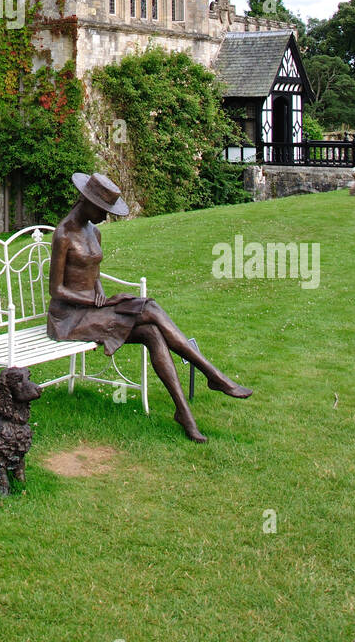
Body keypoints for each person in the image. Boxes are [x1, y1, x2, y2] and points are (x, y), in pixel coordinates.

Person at [47, 172, 252, 442]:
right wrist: (102, 302)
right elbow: (56, 290)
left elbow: (94, 274)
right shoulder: (63, 234)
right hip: (68, 319)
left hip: (93, 310)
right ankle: (213, 375)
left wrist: (102, 296)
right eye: (103, 210)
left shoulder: (93, 231)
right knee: (150, 309)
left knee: (153, 333)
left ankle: (185, 414)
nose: (106, 218)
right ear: (87, 201)